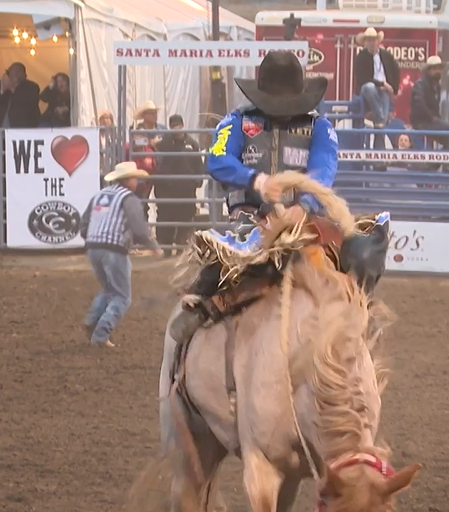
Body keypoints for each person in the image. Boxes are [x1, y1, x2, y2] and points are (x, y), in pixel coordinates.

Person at [170, 50, 389, 343]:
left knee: (362, 251)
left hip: (305, 223)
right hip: (250, 221)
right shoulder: (237, 121)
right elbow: (217, 159)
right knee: (219, 268)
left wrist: (304, 206)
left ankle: (363, 311)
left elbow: (323, 170)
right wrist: (256, 180)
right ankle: (200, 308)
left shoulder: (320, 127)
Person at [79, 161, 163, 347]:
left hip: (93, 246)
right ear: (128, 180)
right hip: (114, 248)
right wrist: (152, 245)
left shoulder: (99, 195)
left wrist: (91, 238)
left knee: (109, 289)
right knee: (122, 296)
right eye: (134, 177)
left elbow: (84, 223)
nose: (136, 181)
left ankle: (92, 321)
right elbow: (138, 226)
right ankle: (100, 334)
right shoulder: (129, 198)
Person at [153, 114, 205, 257]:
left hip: (186, 188)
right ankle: (166, 247)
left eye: (178, 125)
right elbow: (157, 165)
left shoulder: (192, 144)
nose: (176, 128)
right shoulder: (163, 145)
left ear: (182, 125)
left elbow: (198, 164)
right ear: (170, 127)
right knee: (166, 217)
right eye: (174, 126)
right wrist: (162, 181)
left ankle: (181, 246)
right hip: (168, 189)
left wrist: (198, 179)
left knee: (186, 216)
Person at [409, 56, 449, 150]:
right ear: (428, 71)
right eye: (435, 69)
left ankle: (435, 164)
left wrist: (437, 119)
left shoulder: (437, 86)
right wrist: (431, 117)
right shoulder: (420, 84)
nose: (438, 71)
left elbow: (434, 108)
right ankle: (444, 164)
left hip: (431, 122)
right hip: (422, 122)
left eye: (439, 69)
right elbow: (418, 103)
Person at [352, 27, 400, 128]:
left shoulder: (386, 55)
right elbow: (362, 79)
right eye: (369, 40)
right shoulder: (361, 57)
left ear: (377, 41)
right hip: (367, 91)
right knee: (369, 87)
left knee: (381, 125)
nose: (371, 43)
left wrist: (393, 90)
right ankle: (380, 115)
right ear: (365, 43)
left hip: (384, 91)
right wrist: (383, 84)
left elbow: (396, 71)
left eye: (373, 40)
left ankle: (380, 125)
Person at [0, 63, 40, 129]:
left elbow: (28, 101)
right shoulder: (2, 86)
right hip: (0, 125)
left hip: (23, 126)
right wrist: (2, 89)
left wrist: (12, 88)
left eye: (17, 72)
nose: (14, 74)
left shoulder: (32, 86)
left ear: (23, 74)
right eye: (11, 72)